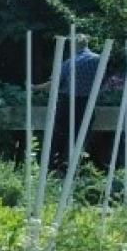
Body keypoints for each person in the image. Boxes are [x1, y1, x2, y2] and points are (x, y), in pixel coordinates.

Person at [37, 34, 104, 169]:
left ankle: (54, 166)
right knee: (81, 136)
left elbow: (54, 83)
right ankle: (74, 166)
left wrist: (35, 87)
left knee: (59, 134)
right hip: (87, 103)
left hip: (67, 102)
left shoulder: (69, 62)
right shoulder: (99, 59)